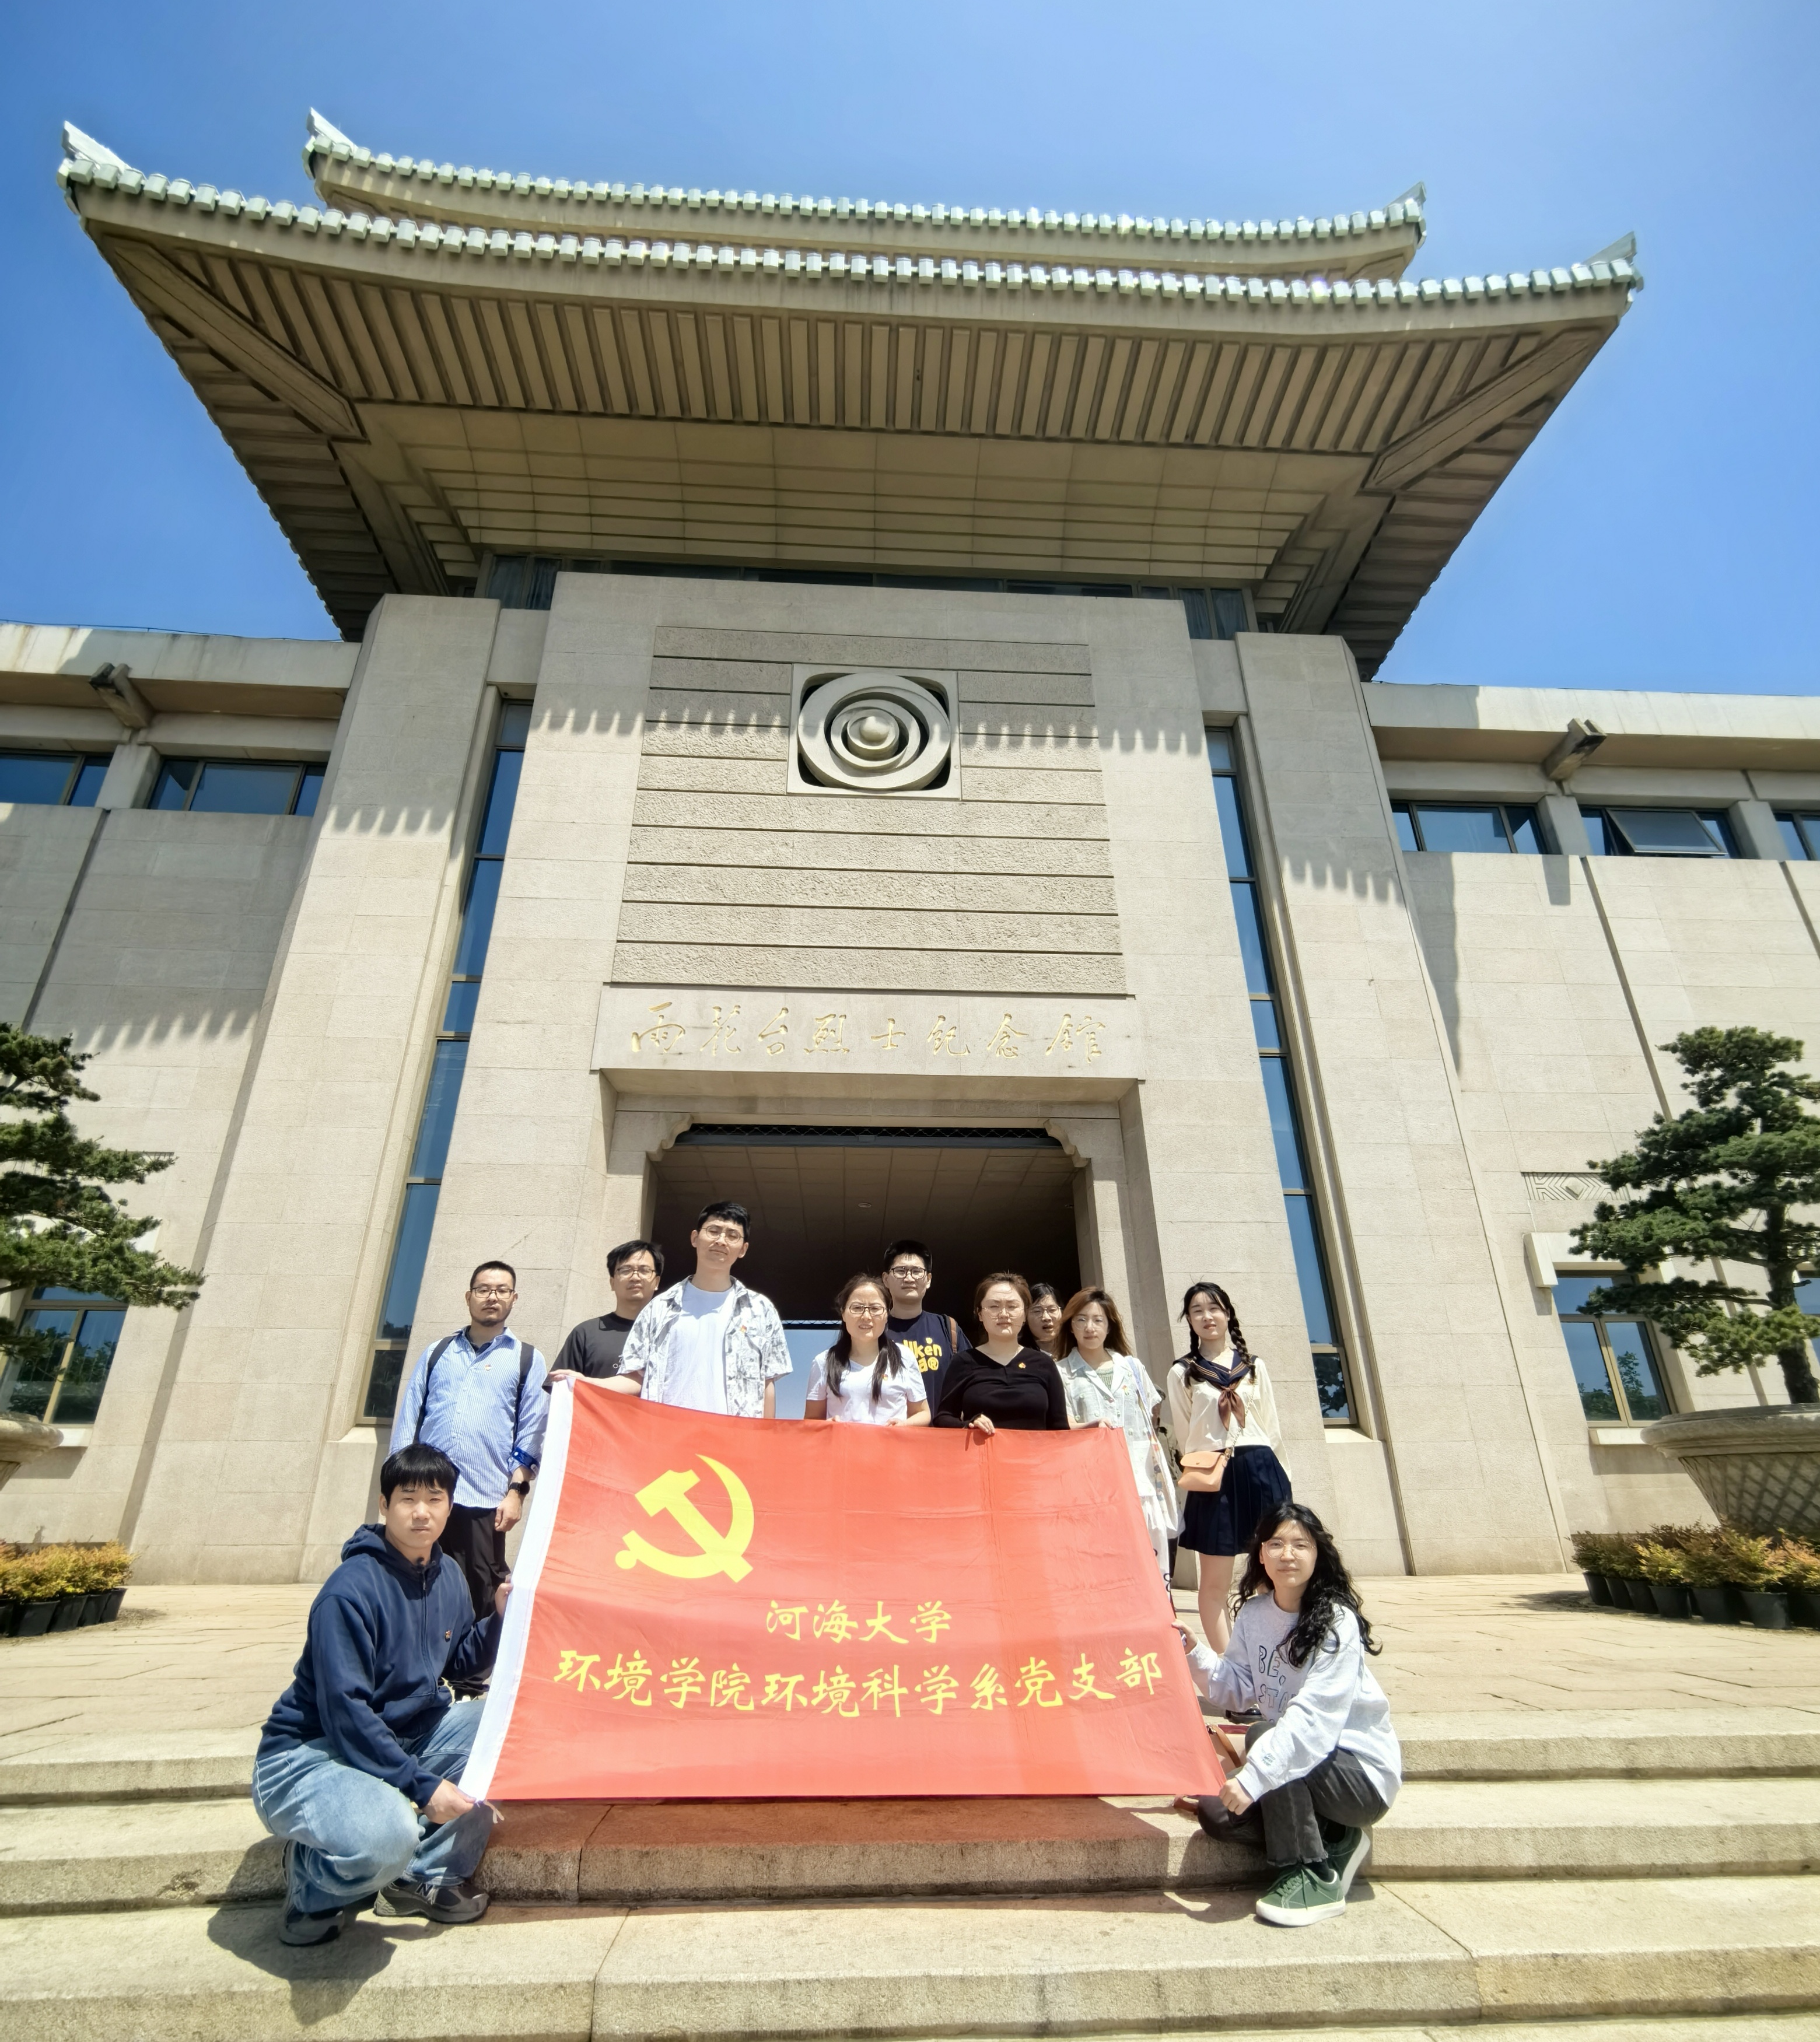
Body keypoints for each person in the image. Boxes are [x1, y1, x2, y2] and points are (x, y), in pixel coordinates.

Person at [253, 1444, 506, 1945]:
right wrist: (421, 1786)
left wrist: (500, 1617)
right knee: (388, 1837)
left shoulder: (447, 1574)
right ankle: (309, 1882)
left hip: (408, 1734)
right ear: (384, 1505)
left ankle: (421, 1877)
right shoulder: (349, 1590)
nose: (421, 1511)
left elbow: (460, 1663)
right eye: (408, 1498)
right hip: (313, 1753)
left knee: (506, 1732)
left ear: (450, 1507)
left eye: (434, 1499)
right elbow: (345, 1712)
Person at [1180, 1502, 1399, 1928]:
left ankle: (1310, 1873)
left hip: (1358, 1776)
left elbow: (1314, 1717)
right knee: (1217, 1814)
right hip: (1298, 1762)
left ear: (1318, 1555)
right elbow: (1238, 1686)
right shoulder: (1255, 1615)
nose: (1288, 1554)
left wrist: (1256, 1775)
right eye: (1276, 1544)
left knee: (1267, 1738)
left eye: (1301, 1544)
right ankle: (1337, 1837)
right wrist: (1193, 1652)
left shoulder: (1337, 1621)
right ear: (1261, 1554)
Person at [388, 1260, 546, 1691]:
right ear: (468, 1296)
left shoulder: (526, 1358)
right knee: (414, 1578)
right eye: (483, 1289)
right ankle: (415, 1667)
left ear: (514, 1298)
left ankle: (472, 1679)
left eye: (502, 1290)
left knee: (481, 1585)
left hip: (485, 1496)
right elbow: (410, 1417)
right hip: (429, 1496)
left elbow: (532, 1430)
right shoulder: (438, 1352)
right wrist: (399, 1488)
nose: (492, 1297)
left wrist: (516, 1491)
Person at [1167, 1280, 1291, 1654]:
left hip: (1260, 1470)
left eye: (1214, 1308)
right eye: (1197, 1311)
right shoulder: (1183, 1372)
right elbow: (1186, 1435)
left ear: (1228, 1314)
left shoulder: (1254, 1367)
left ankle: (1275, 1661)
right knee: (1215, 1582)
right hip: (1214, 1476)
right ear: (1189, 1320)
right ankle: (1229, 1668)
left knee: (1271, 1576)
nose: (1207, 1317)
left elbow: (1271, 1427)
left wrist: (1283, 1479)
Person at [610, 1200, 791, 1416]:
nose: (721, 1241)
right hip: (669, 1431)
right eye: (713, 1231)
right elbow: (634, 1377)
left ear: (743, 1249)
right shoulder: (659, 1308)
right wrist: (585, 1382)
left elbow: (767, 1384)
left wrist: (766, 1434)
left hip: (735, 1433)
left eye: (732, 1235)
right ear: (695, 1238)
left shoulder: (760, 1310)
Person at [1055, 1286, 1178, 1584]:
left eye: (1098, 1320)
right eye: (1081, 1320)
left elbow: (1150, 1413)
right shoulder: (1060, 1372)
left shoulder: (1132, 1367)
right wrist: (1090, 1426)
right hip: (1091, 1482)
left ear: (1110, 1326)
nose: (1090, 1328)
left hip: (1141, 1478)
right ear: (1071, 1326)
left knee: (1150, 1564)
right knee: (1105, 1564)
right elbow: (1062, 1424)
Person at [935, 1272, 1069, 1432]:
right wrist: (969, 1425)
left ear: (1025, 1314)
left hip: (1035, 1449)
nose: (1004, 1314)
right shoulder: (963, 1362)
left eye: (1012, 1307)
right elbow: (943, 1418)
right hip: (980, 1449)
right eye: (994, 1306)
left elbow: (1060, 1428)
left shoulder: (1044, 1364)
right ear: (980, 1314)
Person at [804, 1273, 931, 1426]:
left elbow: (923, 1413)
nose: (866, 1316)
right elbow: (811, 1420)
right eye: (857, 1308)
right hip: (842, 1443)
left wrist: (904, 1425)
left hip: (891, 1442)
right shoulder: (823, 1362)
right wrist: (827, 1425)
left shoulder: (904, 1357)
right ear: (843, 1314)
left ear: (886, 1315)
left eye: (875, 1308)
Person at [547, 1238, 664, 1387]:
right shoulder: (586, 1333)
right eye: (626, 1270)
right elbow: (562, 1389)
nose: (635, 1277)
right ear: (612, 1282)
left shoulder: (668, 1332)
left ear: (657, 1282)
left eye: (644, 1271)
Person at [879, 1237, 970, 1414]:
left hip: (941, 1431)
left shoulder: (948, 1328)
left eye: (917, 1271)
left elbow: (972, 1382)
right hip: (889, 1430)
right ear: (886, 1279)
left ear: (928, 1279)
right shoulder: (875, 1330)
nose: (909, 1278)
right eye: (900, 1271)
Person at [1026, 1281, 1064, 1357]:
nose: (1046, 1318)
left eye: (1052, 1310)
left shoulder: (1076, 1351)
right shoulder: (1019, 1356)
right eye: (1037, 1311)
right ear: (1025, 1318)